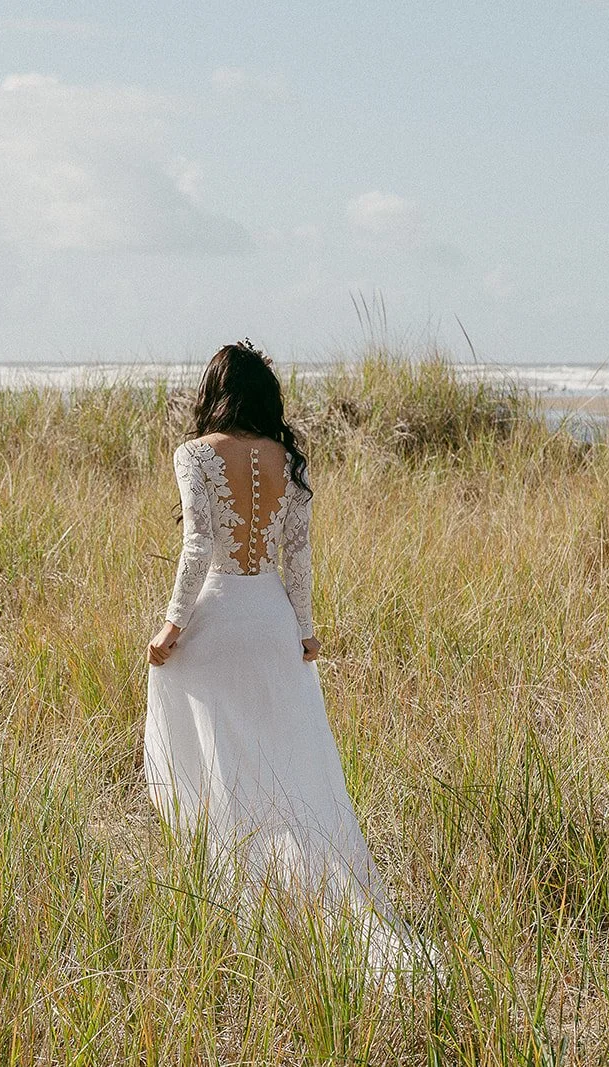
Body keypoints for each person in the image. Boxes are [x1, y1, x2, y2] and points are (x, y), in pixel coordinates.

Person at [144, 340, 417, 969]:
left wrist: (170, 626)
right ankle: (296, 898)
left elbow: (197, 548)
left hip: (216, 620)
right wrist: (304, 630)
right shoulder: (286, 460)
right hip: (269, 621)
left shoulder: (193, 454)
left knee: (218, 763)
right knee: (283, 768)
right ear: (266, 397)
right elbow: (298, 558)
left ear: (215, 392)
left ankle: (236, 899)